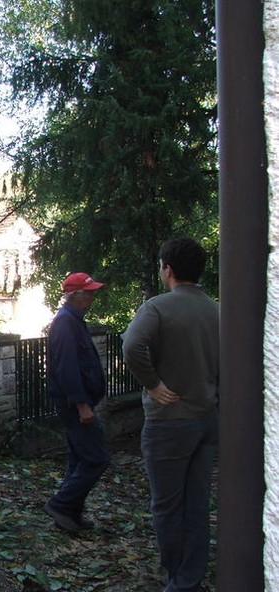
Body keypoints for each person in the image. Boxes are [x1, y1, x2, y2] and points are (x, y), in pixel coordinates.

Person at [122, 237, 219, 592]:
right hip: (207, 419)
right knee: (197, 503)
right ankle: (191, 577)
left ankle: (176, 579)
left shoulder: (157, 308)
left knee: (167, 504)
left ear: (168, 269)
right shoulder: (217, 310)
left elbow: (132, 345)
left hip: (169, 422)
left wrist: (153, 384)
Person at [43, 272, 110, 534]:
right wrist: (81, 404)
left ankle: (69, 515)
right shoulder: (65, 323)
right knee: (96, 458)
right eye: (89, 292)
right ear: (75, 295)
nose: (93, 297)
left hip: (77, 403)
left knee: (79, 458)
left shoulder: (73, 320)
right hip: (74, 405)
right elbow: (67, 367)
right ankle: (61, 504)